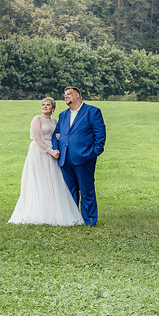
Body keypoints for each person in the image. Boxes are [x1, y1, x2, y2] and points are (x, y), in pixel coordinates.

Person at [9, 97, 84, 226]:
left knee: (52, 180)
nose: (44, 106)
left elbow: (59, 135)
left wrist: (59, 141)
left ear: (53, 108)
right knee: (39, 179)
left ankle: (52, 211)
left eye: (48, 105)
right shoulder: (36, 119)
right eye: (43, 104)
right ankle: (36, 210)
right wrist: (50, 151)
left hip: (52, 152)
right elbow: (37, 138)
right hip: (39, 151)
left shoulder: (54, 121)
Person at [52, 85, 106, 226]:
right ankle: (73, 219)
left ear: (77, 95)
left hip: (85, 157)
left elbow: (100, 134)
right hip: (65, 158)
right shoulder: (63, 115)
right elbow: (56, 135)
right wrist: (57, 150)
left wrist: (94, 153)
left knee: (87, 190)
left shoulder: (92, 112)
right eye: (64, 95)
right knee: (69, 191)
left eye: (69, 94)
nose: (66, 97)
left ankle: (89, 221)